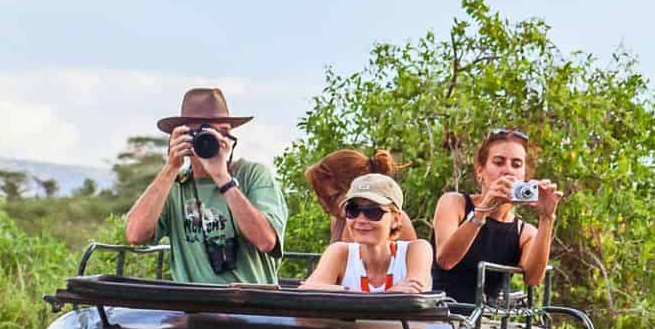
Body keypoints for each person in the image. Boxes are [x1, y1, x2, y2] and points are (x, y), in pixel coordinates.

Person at [123, 88, 288, 285]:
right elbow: (135, 235)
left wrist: (222, 178)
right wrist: (171, 167)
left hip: (250, 307)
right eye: (203, 132)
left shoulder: (253, 175)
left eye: (222, 132)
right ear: (184, 135)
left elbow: (266, 241)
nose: (214, 140)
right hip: (194, 308)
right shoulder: (175, 185)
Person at [430, 129, 562, 305]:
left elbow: (533, 279)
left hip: (484, 325)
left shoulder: (525, 233)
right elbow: (446, 260)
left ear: (524, 176)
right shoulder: (454, 203)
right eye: (499, 162)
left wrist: (547, 217)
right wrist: (484, 208)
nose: (507, 171)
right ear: (480, 171)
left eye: (516, 165)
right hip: (440, 316)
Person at [299, 174, 433, 293]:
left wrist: (338, 292)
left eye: (373, 212)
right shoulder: (340, 252)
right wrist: (356, 293)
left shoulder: (416, 250)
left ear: (395, 219)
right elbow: (307, 290)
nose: (361, 220)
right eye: (353, 210)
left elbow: (416, 293)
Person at [304, 148, 415, 244]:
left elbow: (411, 262)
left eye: (333, 198)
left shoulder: (394, 219)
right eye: (322, 199)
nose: (326, 207)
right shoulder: (340, 220)